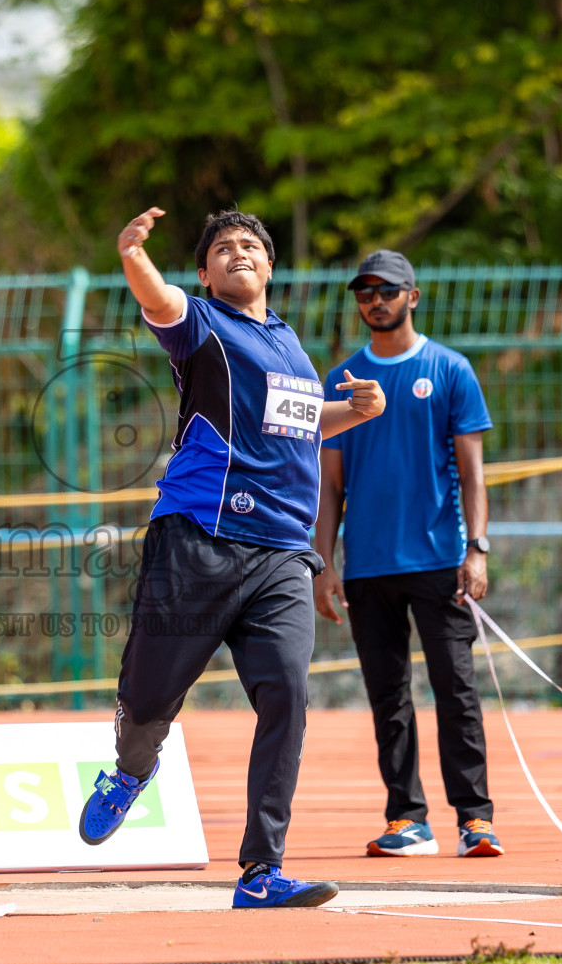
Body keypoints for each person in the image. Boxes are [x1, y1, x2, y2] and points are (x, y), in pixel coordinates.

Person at [77, 208, 386, 908]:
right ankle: (131, 769)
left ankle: (260, 872)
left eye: (250, 246)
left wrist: (357, 413)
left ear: (270, 266)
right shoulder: (201, 327)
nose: (238, 254)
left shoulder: (289, 344)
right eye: (223, 249)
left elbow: (297, 424)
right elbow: (157, 300)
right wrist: (131, 255)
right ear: (205, 274)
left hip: (282, 552)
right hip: (198, 536)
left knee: (288, 694)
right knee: (151, 696)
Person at [313, 250, 500, 858]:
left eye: (386, 289)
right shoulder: (341, 382)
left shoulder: (450, 370)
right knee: (388, 697)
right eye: (364, 291)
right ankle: (406, 818)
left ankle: (475, 819)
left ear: (412, 296)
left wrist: (476, 549)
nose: (375, 299)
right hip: (367, 567)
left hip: (440, 560)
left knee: (456, 690)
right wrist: (325, 562)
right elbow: (329, 485)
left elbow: (472, 475)